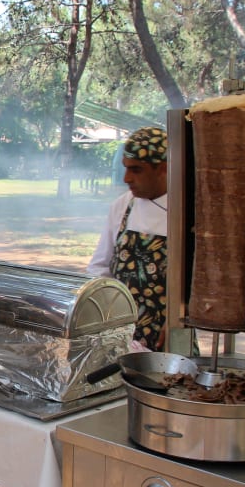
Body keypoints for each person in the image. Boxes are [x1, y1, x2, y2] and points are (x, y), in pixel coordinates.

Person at [86, 126, 169, 351]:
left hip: (168, 339)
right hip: (119, 330)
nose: (126, 178)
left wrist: (179, 319)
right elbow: (99, 267)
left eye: (136, 170)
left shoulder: (185, 210)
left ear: (162, 168)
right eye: (125, 168)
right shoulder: (124, 206)